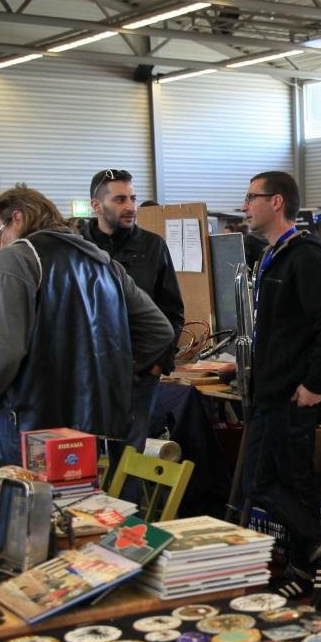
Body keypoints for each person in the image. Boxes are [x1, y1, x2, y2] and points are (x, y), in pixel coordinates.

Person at [0, 185, 174, 465]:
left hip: (29, 426)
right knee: (81, 494)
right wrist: (110, 371)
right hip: (94, 424)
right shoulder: (101, 261)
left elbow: (0, 353)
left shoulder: (17, 257)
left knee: (25, 494)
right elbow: (159, 331)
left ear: (17, 218)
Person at [240, 170, 321, 608]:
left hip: (292, 394)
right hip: (271, 389)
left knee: (265, 480)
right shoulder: (274, 256)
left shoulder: (305, 257)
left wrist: (314, 382)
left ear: (277, 202)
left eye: (252, 197)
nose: (245, 206)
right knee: (285, 482)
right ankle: (306, 565)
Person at [78, 168, 185, 454]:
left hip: (138, 376)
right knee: (84, 456)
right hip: (86, 376)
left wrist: (158, 363)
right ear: (96, 205)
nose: (130, 207)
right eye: (120, 199)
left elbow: (172, 311)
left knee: (129, 456)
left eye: (133, 199)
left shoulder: (153, 246)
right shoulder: (77, 248)